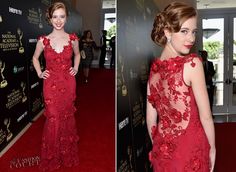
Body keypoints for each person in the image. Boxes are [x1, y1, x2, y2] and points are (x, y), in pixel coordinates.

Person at [146, 2, 216, 172]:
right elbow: (206, 117)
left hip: (163, 153)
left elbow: (150, 120)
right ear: (167, 32)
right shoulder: (192, 64)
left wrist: (161, 147)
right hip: (190, 152)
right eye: (184, 31)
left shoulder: (153, 71)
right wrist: (212, 149)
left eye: (194, 32)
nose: (191, 38)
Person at [32, 2, 80, 171]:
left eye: (62, 16)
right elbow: (35, 58)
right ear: (49, 18)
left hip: (68, 83)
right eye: (55, 17)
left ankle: (65, 153)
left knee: (66, 117)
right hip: (50, 85)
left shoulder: (73, 39)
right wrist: (39, 73)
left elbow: (78, 54)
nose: (58, 20)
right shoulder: (43, 40)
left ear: (66, 18)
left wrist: (76, 67)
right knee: (53, 118)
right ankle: (52, 157)